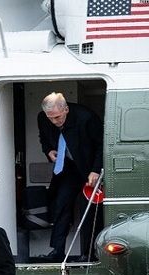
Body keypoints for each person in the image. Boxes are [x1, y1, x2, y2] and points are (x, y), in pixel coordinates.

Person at [37, 92, 103, 262]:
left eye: (58, 117)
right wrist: (48, 150)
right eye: (51, 118)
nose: (55, 121)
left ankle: (90, 253)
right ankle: (57, 251)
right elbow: (43, 138)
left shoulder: (86, 118)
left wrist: (96, 170)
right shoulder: (43, 118)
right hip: (68, 168)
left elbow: (101, 145)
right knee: (61, 205)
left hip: (88, 169)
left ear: (66, 109)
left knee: (88, 210)